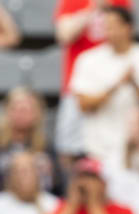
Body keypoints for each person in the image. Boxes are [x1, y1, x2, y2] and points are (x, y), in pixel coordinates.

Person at [70, 6, 139, 164]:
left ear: (129, 28)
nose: (109, 31)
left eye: (114, 26)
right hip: (98, 150)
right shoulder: (87, 59)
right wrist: (115, 86)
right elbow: (83, 104)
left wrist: (135, 85)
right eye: (106, 26)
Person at [54, 0, 131, 164]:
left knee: (115, 142)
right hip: (77, 86)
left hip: (114, 82)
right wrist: (93, 7)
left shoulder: (121, 1)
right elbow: (64, 35)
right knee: (69, 147)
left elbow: (127, 31)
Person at [0, 87, 59, 199]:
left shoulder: (46, 146)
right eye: (16, 109)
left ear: (37, 114)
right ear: (6, 111)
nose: (21, 114)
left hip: (37, 205)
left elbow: (58, 186)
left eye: (27, 110)